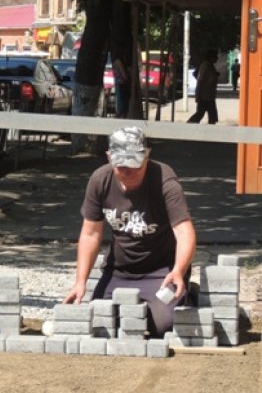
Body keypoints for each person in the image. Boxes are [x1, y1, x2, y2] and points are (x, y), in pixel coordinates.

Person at [64, 127, 196, 338]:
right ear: (109, 157)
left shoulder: (165, 182)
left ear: (146, 155)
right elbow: (90, 234)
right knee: (103, 323)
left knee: (163, 325)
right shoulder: (100, 180)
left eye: (135, 165)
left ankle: (189, 293)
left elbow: (184, 231)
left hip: (162, 271)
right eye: (121, 166)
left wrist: (179, 270)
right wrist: (80, 281)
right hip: (119, 271)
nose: (128, 172)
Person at [187, 49, 219, 124]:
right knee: (201, 113)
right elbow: (200, 80)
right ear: (211, 57)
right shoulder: (205, 65)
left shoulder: (210, 66)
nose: (217, 59)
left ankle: (210, 129)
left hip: (209, 95)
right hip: (204, 95)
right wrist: (198, 95)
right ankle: (189, 124)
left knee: (211, 115)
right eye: (215, 57)